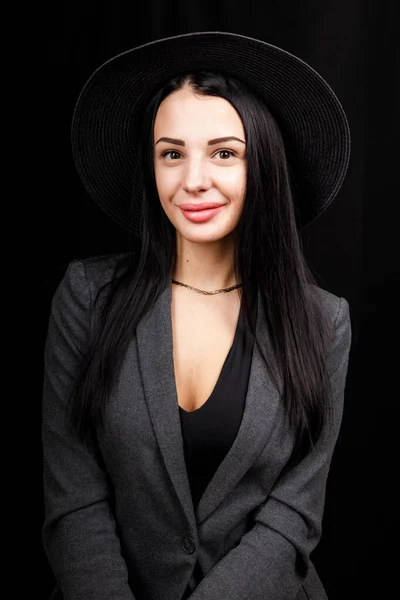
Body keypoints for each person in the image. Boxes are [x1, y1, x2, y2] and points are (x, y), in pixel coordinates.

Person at [42, 32, 352, 600]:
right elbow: (74, 497)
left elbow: (294, 516)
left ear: (263, 164)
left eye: (224, 152)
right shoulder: (88, 296)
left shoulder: (323, 323)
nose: (193, 181)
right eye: (172, 153)